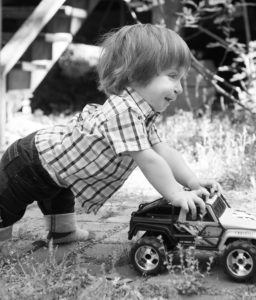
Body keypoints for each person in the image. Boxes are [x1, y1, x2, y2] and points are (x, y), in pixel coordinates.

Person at [0, 24, 221, 254]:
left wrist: (192, 182)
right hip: (28, 162)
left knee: (60, 193)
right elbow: (149, 160)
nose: (179, 89)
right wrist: (175, 193)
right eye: (173, 77)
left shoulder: (142, 113)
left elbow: (163, 152)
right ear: (136, 73)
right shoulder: (124, 110)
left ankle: (62, 232)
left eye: (181, 79)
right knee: (7, 205)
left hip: (55, 169)